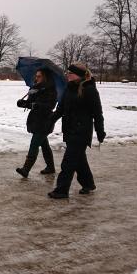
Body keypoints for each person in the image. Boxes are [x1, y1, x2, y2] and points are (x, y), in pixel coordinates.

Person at [48, 62, 106, 199]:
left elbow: (97, 113)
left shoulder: (89, 89)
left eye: (70, 73)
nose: (67, 75)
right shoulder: (69, 88)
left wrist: (100, 131)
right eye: (67, 73)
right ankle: (88, 184)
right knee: (79, 160)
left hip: (81, 131)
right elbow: (61, 108)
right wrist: (50, 120)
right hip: (69, 129)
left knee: (68, 162)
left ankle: (61, 190)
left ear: (79, 76)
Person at [15, 68, 57, 178]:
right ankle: (51, 167)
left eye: (39, 76)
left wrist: (36, 105)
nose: (36, 78)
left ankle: (26, 169)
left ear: (45, 77)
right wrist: (22, 103)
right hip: (35, 120)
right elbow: (30, 104)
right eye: (36, 76)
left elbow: (50, 106)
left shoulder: (51, 90)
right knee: (44, 145)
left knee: (34, 144)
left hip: (45, 121)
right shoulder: (35, 88)